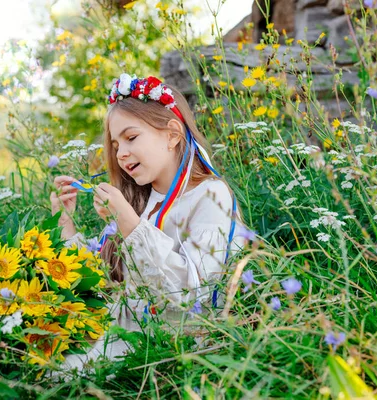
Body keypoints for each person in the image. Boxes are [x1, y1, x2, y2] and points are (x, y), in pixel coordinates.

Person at [50, 73, 246, 367]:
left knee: (54, 372)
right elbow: (102, 282)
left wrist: (129, 224)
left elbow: (195, 294)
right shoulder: (139, 200)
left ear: (172, 134)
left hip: (171, 345)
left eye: (131, 138)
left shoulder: (210, 194)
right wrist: (65, 221)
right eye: (116, 146)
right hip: (120, 332)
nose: (121, 154)